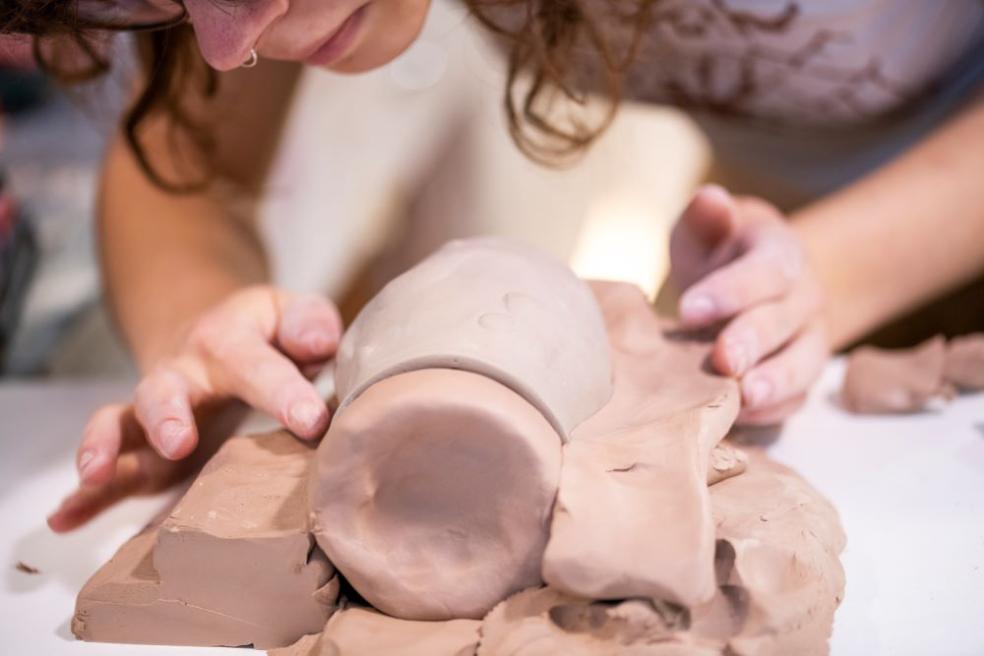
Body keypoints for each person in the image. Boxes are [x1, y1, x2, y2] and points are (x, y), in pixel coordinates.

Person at [2, 0, 980, 532]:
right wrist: (196, 316)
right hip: (776, 214)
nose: (228, 45)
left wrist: (842, 269)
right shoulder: (232, 16)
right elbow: (186, 165)